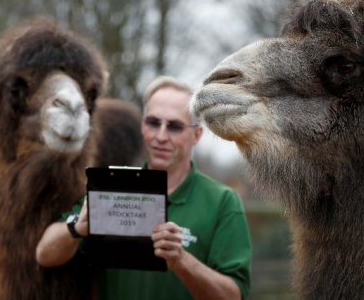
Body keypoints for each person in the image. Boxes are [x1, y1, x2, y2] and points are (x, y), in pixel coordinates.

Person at [36, 76, 252, 299]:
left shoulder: (222, 201)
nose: (161, 136)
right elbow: (44, 254)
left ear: (196, 135)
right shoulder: (112, 187)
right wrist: (76, 228)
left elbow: (233, 295)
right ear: (142, 125)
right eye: (153, 122)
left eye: (175, 127)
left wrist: (181, 260)